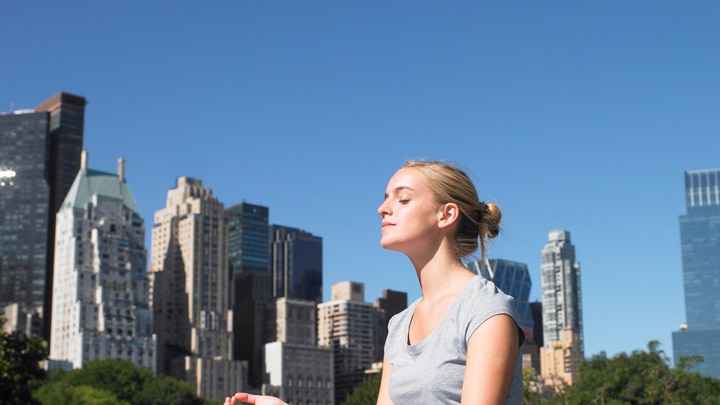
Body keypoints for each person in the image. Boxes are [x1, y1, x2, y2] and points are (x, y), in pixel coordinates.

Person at [225, 160, 525, 405]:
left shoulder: (485, 310)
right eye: (385, 199)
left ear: (446, 215)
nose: (382, 209)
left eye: (403, 198)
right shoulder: (399, 325)